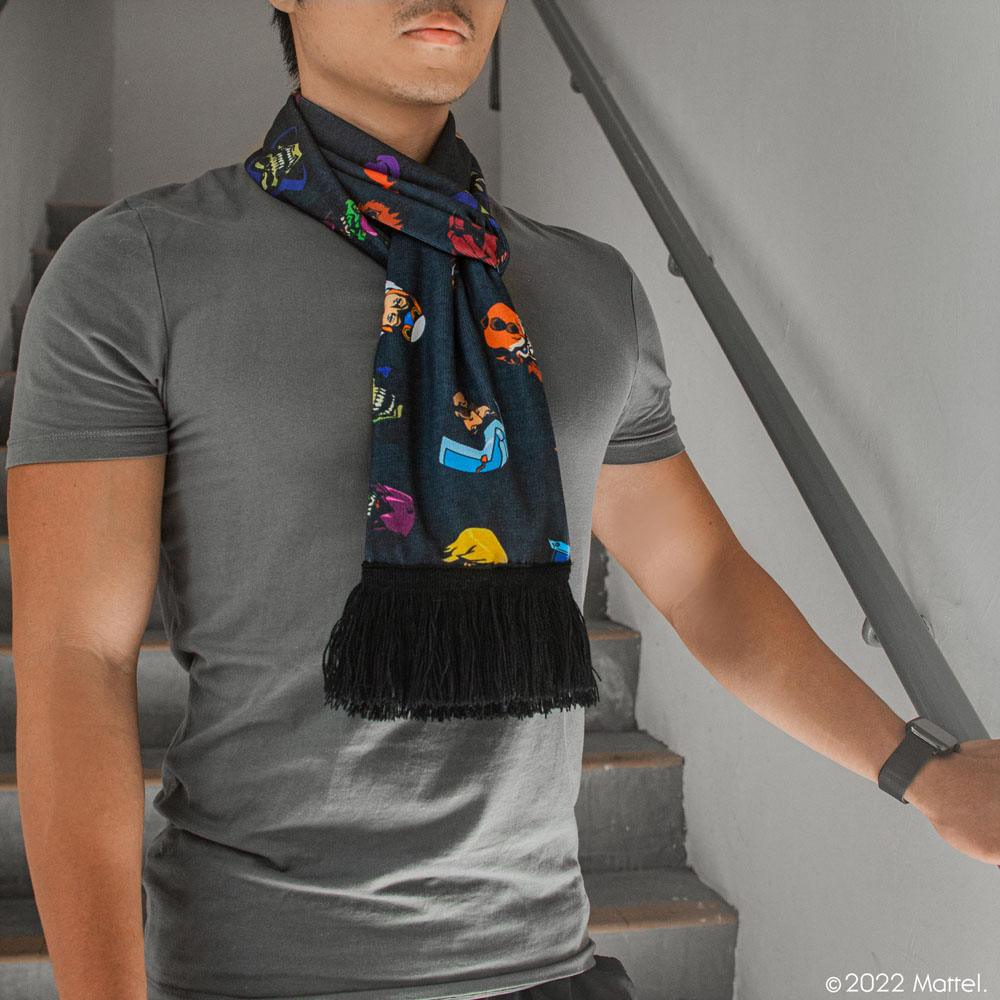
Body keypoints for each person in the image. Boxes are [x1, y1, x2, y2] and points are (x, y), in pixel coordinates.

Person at [7, 2, 998, 999]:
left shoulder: (589, 287)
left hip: (547, 962)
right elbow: (76, 662)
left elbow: (702, 579)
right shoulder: (139, 270)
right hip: (261, 974)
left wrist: (919, 769)